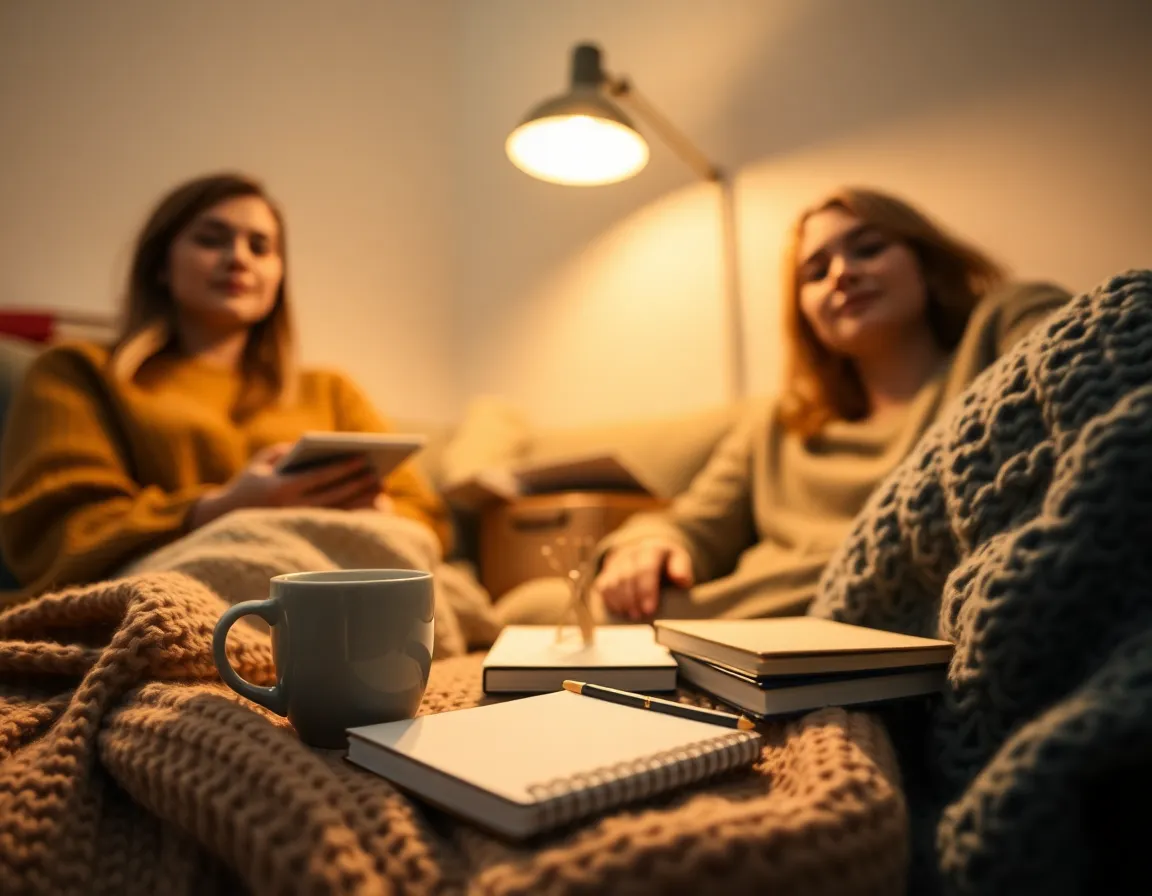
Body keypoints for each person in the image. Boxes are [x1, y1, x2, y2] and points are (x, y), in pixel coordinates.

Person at [497, 186, 1070, 625]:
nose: (842, 273)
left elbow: (1080, 357)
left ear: (925, 261)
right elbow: (694, 523)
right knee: (535, 605)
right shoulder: (779, 426)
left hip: (866, 623)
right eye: (815, 272)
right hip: (728, 624)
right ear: (804, 313)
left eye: (868, 248)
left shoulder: (998, 330)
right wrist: (649, 545)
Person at [0, 173, 450, 602]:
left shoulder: (331, 390)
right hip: (174, 582)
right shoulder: (79, 371)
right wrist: (219, 508)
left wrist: (375, 514)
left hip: (337, 584)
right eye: (211, 239)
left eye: (260, 247)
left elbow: (427, 521)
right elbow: (58, 528)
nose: (238, 258)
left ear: (278, 275)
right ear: (161, 264)